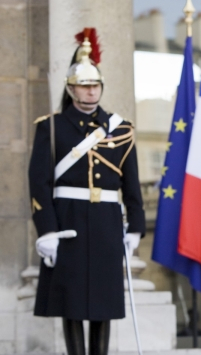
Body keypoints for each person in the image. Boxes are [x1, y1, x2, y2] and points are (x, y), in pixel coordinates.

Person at [29, 28, 145, 355]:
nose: (90, 92)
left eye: (95, 85)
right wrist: (47, 230)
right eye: (83, 85)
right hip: (68, 221)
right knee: (72, 302)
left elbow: (131, 183)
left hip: (106, 221)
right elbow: (39, 183)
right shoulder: (50, 127)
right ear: (70, 88)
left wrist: (136, 226)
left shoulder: (120, 130)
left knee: (103, 303)